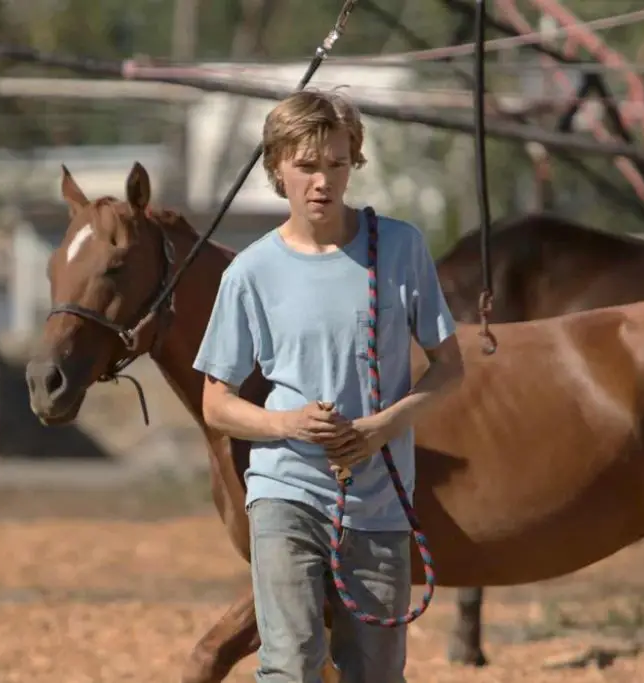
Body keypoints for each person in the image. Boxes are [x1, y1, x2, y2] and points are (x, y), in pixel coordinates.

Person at [193, 90, 463, 682]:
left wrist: (380, 429)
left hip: (379, 501)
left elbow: (450, 367)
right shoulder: (251, 272)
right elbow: (216, 401)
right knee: (290, 664)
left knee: (376, 671)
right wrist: (286, 424)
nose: (323, 181)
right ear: (278, 170)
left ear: (353, 164)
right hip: (284, 491)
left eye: (336, 164)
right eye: (307, 165)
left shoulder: (399, 247)